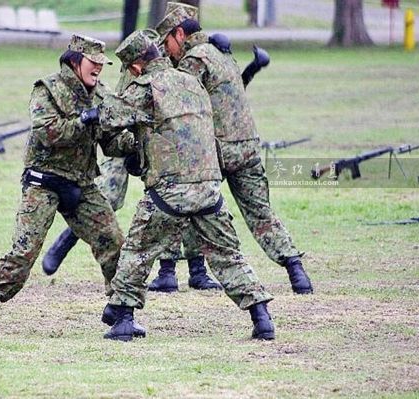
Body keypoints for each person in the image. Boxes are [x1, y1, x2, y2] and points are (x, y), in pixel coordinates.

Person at [97, 30, 275, 342]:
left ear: (136, 68)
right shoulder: (191, 81)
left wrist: (90, 111)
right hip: (209, 189)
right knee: (228, 254)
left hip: (170, 192)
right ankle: (262, 318)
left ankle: (123, 317)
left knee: (137, 251)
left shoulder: (146, 87)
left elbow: (109, 117)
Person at [0, 35, 144, 337]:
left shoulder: (101, 96)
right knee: (24, 251)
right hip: (44, 182)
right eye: (93, 63)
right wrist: (85, 119)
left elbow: (110, 143)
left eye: (102, 65)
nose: (99, 69)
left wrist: (133, 141)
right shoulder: (47, 90)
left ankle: (121, 314)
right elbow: (47, 133)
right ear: (75, 61)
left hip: (81, 185)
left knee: (114, 242)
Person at [42, 29, 221, 292]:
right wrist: (96, 122)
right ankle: (68, 240)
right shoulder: (140, 66)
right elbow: (114, 113)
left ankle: (175, 272)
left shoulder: (183, 66)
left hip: (156, 144)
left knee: (176, 198)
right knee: (113, 198)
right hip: (123, 128)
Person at [155, 2, 313, 294]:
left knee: (189, 203)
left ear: (179, 34)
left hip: (217, 150)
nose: (167, 51)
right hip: (248, 148)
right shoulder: (222, 54)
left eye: (167, 43)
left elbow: (176, 99)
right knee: (261, 214)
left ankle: (185, 271)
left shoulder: (195, 59)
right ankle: (296, 272)